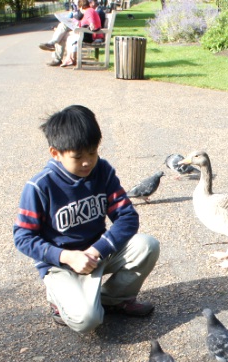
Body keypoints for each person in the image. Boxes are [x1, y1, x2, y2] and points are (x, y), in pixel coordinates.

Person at [13, 105, 160, 333]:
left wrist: (96, 250)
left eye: (92, 153)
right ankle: (59, 301)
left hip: (96, 254)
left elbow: (127, 217)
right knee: (88, 321)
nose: (87, 162)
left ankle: (112, 299)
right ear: (55, 153)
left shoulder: (102, 171)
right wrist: (66, 256)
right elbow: (23, 238)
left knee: (147, 245)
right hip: (60, 264)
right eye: (78, 156)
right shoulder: (40, 186)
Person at [61, 0, 102, 67]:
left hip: (92, 36)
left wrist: (91, 24)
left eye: (79, 8)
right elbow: (83, 23)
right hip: (90, 34)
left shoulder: (88, 11)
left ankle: (70, 59)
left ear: (81, 7)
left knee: (70, 38)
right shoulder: (90, 11)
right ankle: (70, 59)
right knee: (69, 37)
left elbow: (90, 19)